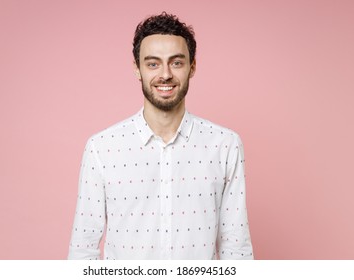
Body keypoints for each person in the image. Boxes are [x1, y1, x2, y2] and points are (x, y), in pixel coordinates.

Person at [68, 12, 253, 260]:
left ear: (192, 67)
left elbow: (236, 249)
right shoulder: (101, 148)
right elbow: (83, 250)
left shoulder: (225, 145)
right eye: (153, 63)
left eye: (176, 62)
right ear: (137, 69)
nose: (165, 74)